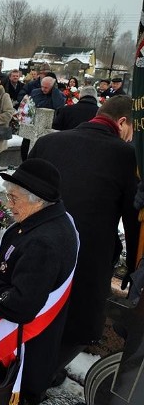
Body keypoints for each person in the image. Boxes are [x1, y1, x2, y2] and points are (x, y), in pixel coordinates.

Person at [28, 95, 139, 385]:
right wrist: (134, 266)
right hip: (87, 255)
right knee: (78, 324)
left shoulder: (48, 142)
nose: (131, 138)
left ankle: (24, 364)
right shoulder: (125, 156)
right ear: (123, 122)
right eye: (133, 132)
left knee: (35, 308)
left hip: (38, 244)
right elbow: (132, 217)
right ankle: (39, 378)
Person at [0, 159, 79, 405]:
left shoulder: (44, 242)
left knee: (0, 404)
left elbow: (21, 305)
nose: (8, 205)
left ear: (38, 199)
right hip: (29, 343)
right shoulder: (47, 220)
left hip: (19, 350)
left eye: (14, 198)